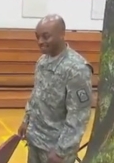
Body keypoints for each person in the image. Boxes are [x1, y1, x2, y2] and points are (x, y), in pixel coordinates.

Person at [17, 14, 93, 163]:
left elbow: (78, 116)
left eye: (46, 37)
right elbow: (36, 95)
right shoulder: (42, 62)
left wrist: (61, 152)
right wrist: (26, 120)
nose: (40, 42)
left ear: (62, 35)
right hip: (36, 141)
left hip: (55, 148)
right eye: (37, 37)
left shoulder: (77, 69)